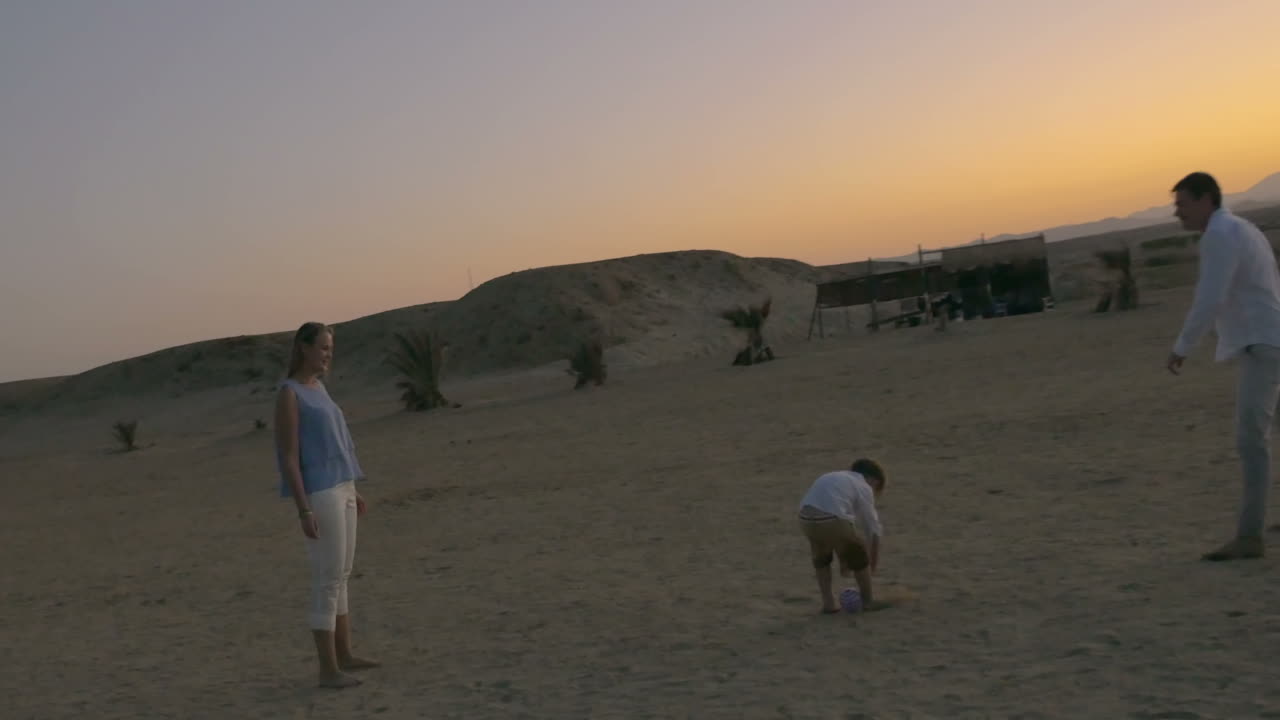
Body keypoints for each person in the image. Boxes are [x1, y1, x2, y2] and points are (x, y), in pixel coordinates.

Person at [1165, 171, 1280, 561]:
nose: (1176, 213)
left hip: (1262, 344)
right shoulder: (1242, 228)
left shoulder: (1220, 235)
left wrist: (1183, 345)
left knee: (1251, 441)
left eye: (1181, 204)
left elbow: (1209, 296)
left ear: (1204, 200)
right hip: (1269, 337)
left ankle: (1249, 538)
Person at [274, 321, 379, 688]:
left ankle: (345, 654)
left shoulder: (320, 388)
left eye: (330, 349)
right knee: (327, 579)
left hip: (344, 486)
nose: (327, 355)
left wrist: (353, 487)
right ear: (304, 348)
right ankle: (327, 670)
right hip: (320, 493)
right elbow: (289, 457)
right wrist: (303, 508)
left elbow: (334, 443)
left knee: (342, 576)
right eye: (322, 348)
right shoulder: (289, 393)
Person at [796, 459, 888, 613]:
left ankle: (828, 603)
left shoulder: (836, 476)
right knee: (859, 554)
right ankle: (868, 601)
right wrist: (871, 566)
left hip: (805, 518)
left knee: (822, 559)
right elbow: (872, 530)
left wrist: (844, 562)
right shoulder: (864, 487)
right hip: (831, 518)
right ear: (873, 480)